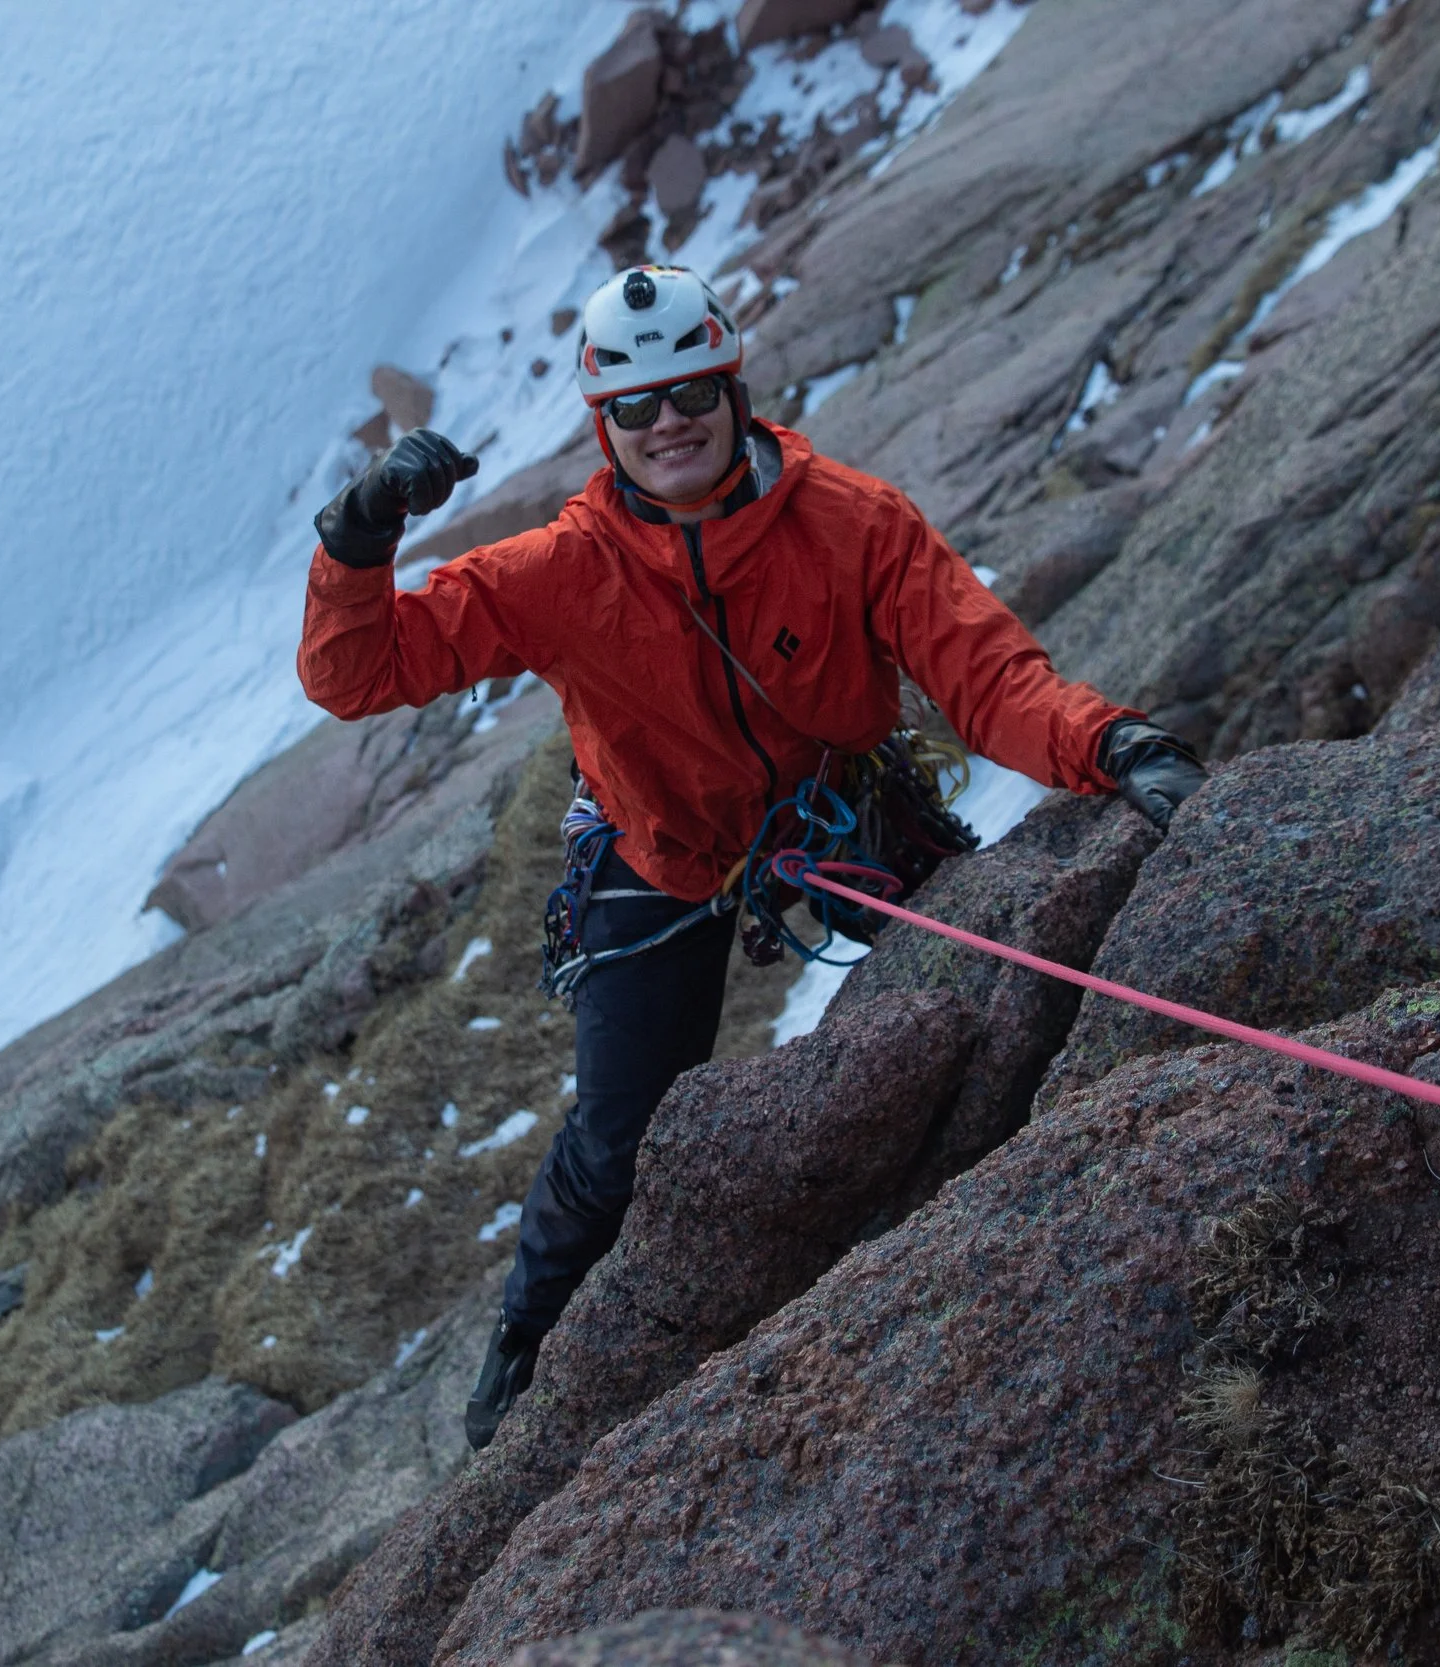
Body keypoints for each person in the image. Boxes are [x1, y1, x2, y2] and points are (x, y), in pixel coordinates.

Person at [298, 264, 1205, 1448]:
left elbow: (989, 679)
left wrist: (1113, 742)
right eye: (636, 406)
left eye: (689, 392)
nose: (666, 421)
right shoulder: (560, 573)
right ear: (604, 426)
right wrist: (359, 536)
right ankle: (529, 1339)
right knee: (622, 1135)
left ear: (731, 389)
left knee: (998, 975)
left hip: (836, 805)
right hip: (659, 839)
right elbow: (356, 673)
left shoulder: (853, 524)